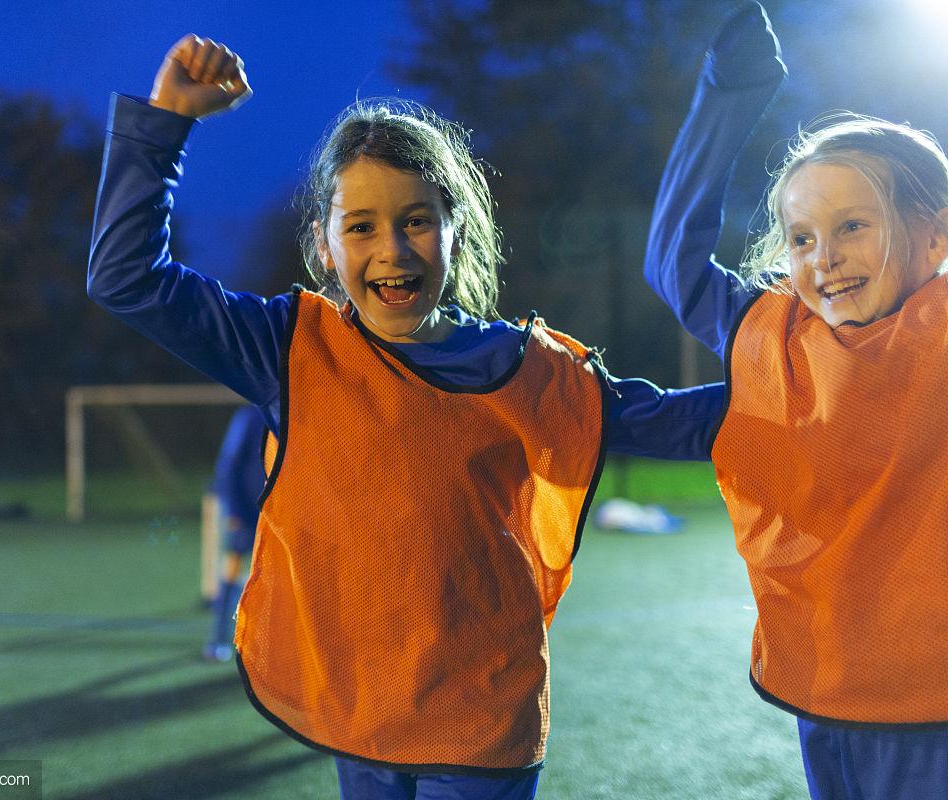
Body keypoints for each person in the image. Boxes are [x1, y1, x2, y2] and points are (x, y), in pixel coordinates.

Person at [90, 34, 724, 800]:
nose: (393, 249)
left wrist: (834, 383)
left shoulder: (524, 367)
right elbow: (125, 277)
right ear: (324, 248)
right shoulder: (286, 350)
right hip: (363, 715)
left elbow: (681, 423)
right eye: (360, 226)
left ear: (455, 227)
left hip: (482, 721)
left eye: (417, 219)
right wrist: (166, 122)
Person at [645, 4, 948, 798]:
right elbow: (673, 263)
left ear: (935, 236)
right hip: (829, 689)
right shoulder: (778, 332)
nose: (825, 258)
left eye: (852, 225)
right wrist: (728, 95)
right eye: (802, 238)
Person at [204, 404, 269, 663]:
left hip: (275, 514)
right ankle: (219, 639)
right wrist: (233, 512)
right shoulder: (250, 416)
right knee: (231, 575)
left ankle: (263, 646)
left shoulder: (289, 409)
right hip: (246, 513)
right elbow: (228, 466)